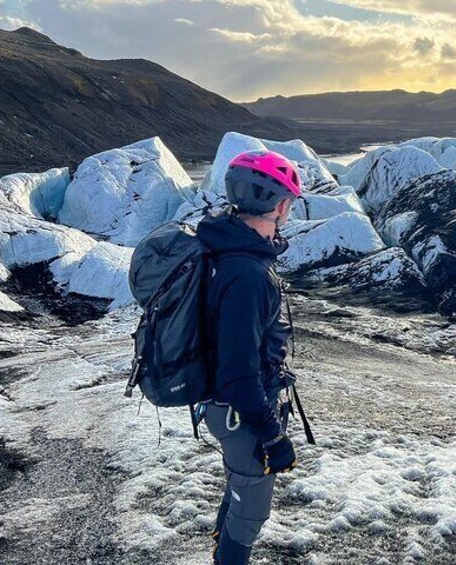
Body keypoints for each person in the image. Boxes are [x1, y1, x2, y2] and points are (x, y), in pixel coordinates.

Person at [195, 150, 304, 564]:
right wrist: (273, 436)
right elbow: (239, 373)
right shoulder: (249, 274)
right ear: (279, 205)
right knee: (250, 508)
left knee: (239, 486)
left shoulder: (223, 248)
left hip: (224, 406)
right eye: (289, 202)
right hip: (239, 410)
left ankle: (220, 551)